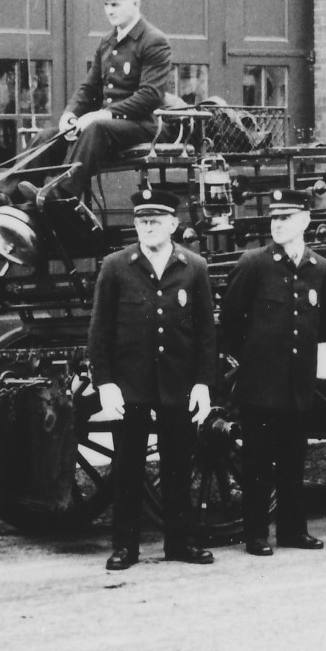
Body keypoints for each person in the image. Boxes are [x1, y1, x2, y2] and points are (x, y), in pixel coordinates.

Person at [87, 188, 216, 570]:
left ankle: (180, 543)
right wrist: (105, 383)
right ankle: (124, 547)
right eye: (142, 221)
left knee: (178, 466)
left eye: (156, 221)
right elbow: (99, 330)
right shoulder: (116, 266)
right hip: (130, 386)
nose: (148, 227)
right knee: (127, 468)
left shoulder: (194, 267)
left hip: (178, 383)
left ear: (173, 224)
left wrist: (203, 384)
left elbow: (205, 332)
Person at [219, 189, 326, 556]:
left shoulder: (322, 269)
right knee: (257, 461)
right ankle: (256, 534)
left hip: (299, 382)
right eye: (274, 218)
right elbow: (231, 323)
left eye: (285, 218)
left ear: (305, 221)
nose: (277, 224)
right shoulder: (253, 264)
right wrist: (251, 361)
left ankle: (293, 531)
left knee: (293, 459)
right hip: (260, 383)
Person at [50, 0, 173, 204]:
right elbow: (89, 88)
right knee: (50, 135)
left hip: (144, 124)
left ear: (135, 2)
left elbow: (150, 96)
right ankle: (10, 193)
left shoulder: (153, 40)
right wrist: (70, 114)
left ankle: (60, 198)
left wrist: (104, 114)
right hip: (109, 128)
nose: (109, 10)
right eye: (106, 4)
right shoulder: (107, 42)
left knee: (96, 127)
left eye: (115, 4)